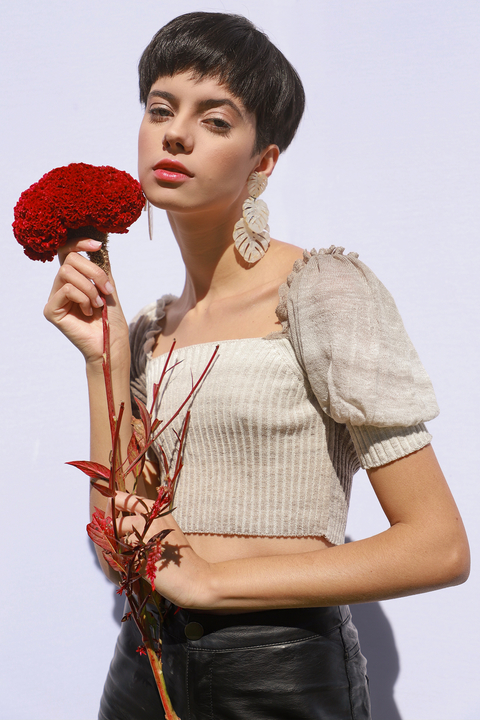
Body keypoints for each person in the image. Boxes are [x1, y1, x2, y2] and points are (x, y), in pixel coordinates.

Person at [44, 12, 470, 720]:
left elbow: (438, 546)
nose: (176, 134)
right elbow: (121, 548)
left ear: (263, 162)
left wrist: (211, 583)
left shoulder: (322, 292)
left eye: (215, 120)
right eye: (160, 109)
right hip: (144, 668)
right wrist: (104, 360)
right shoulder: (148, 330)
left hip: (280, 673)